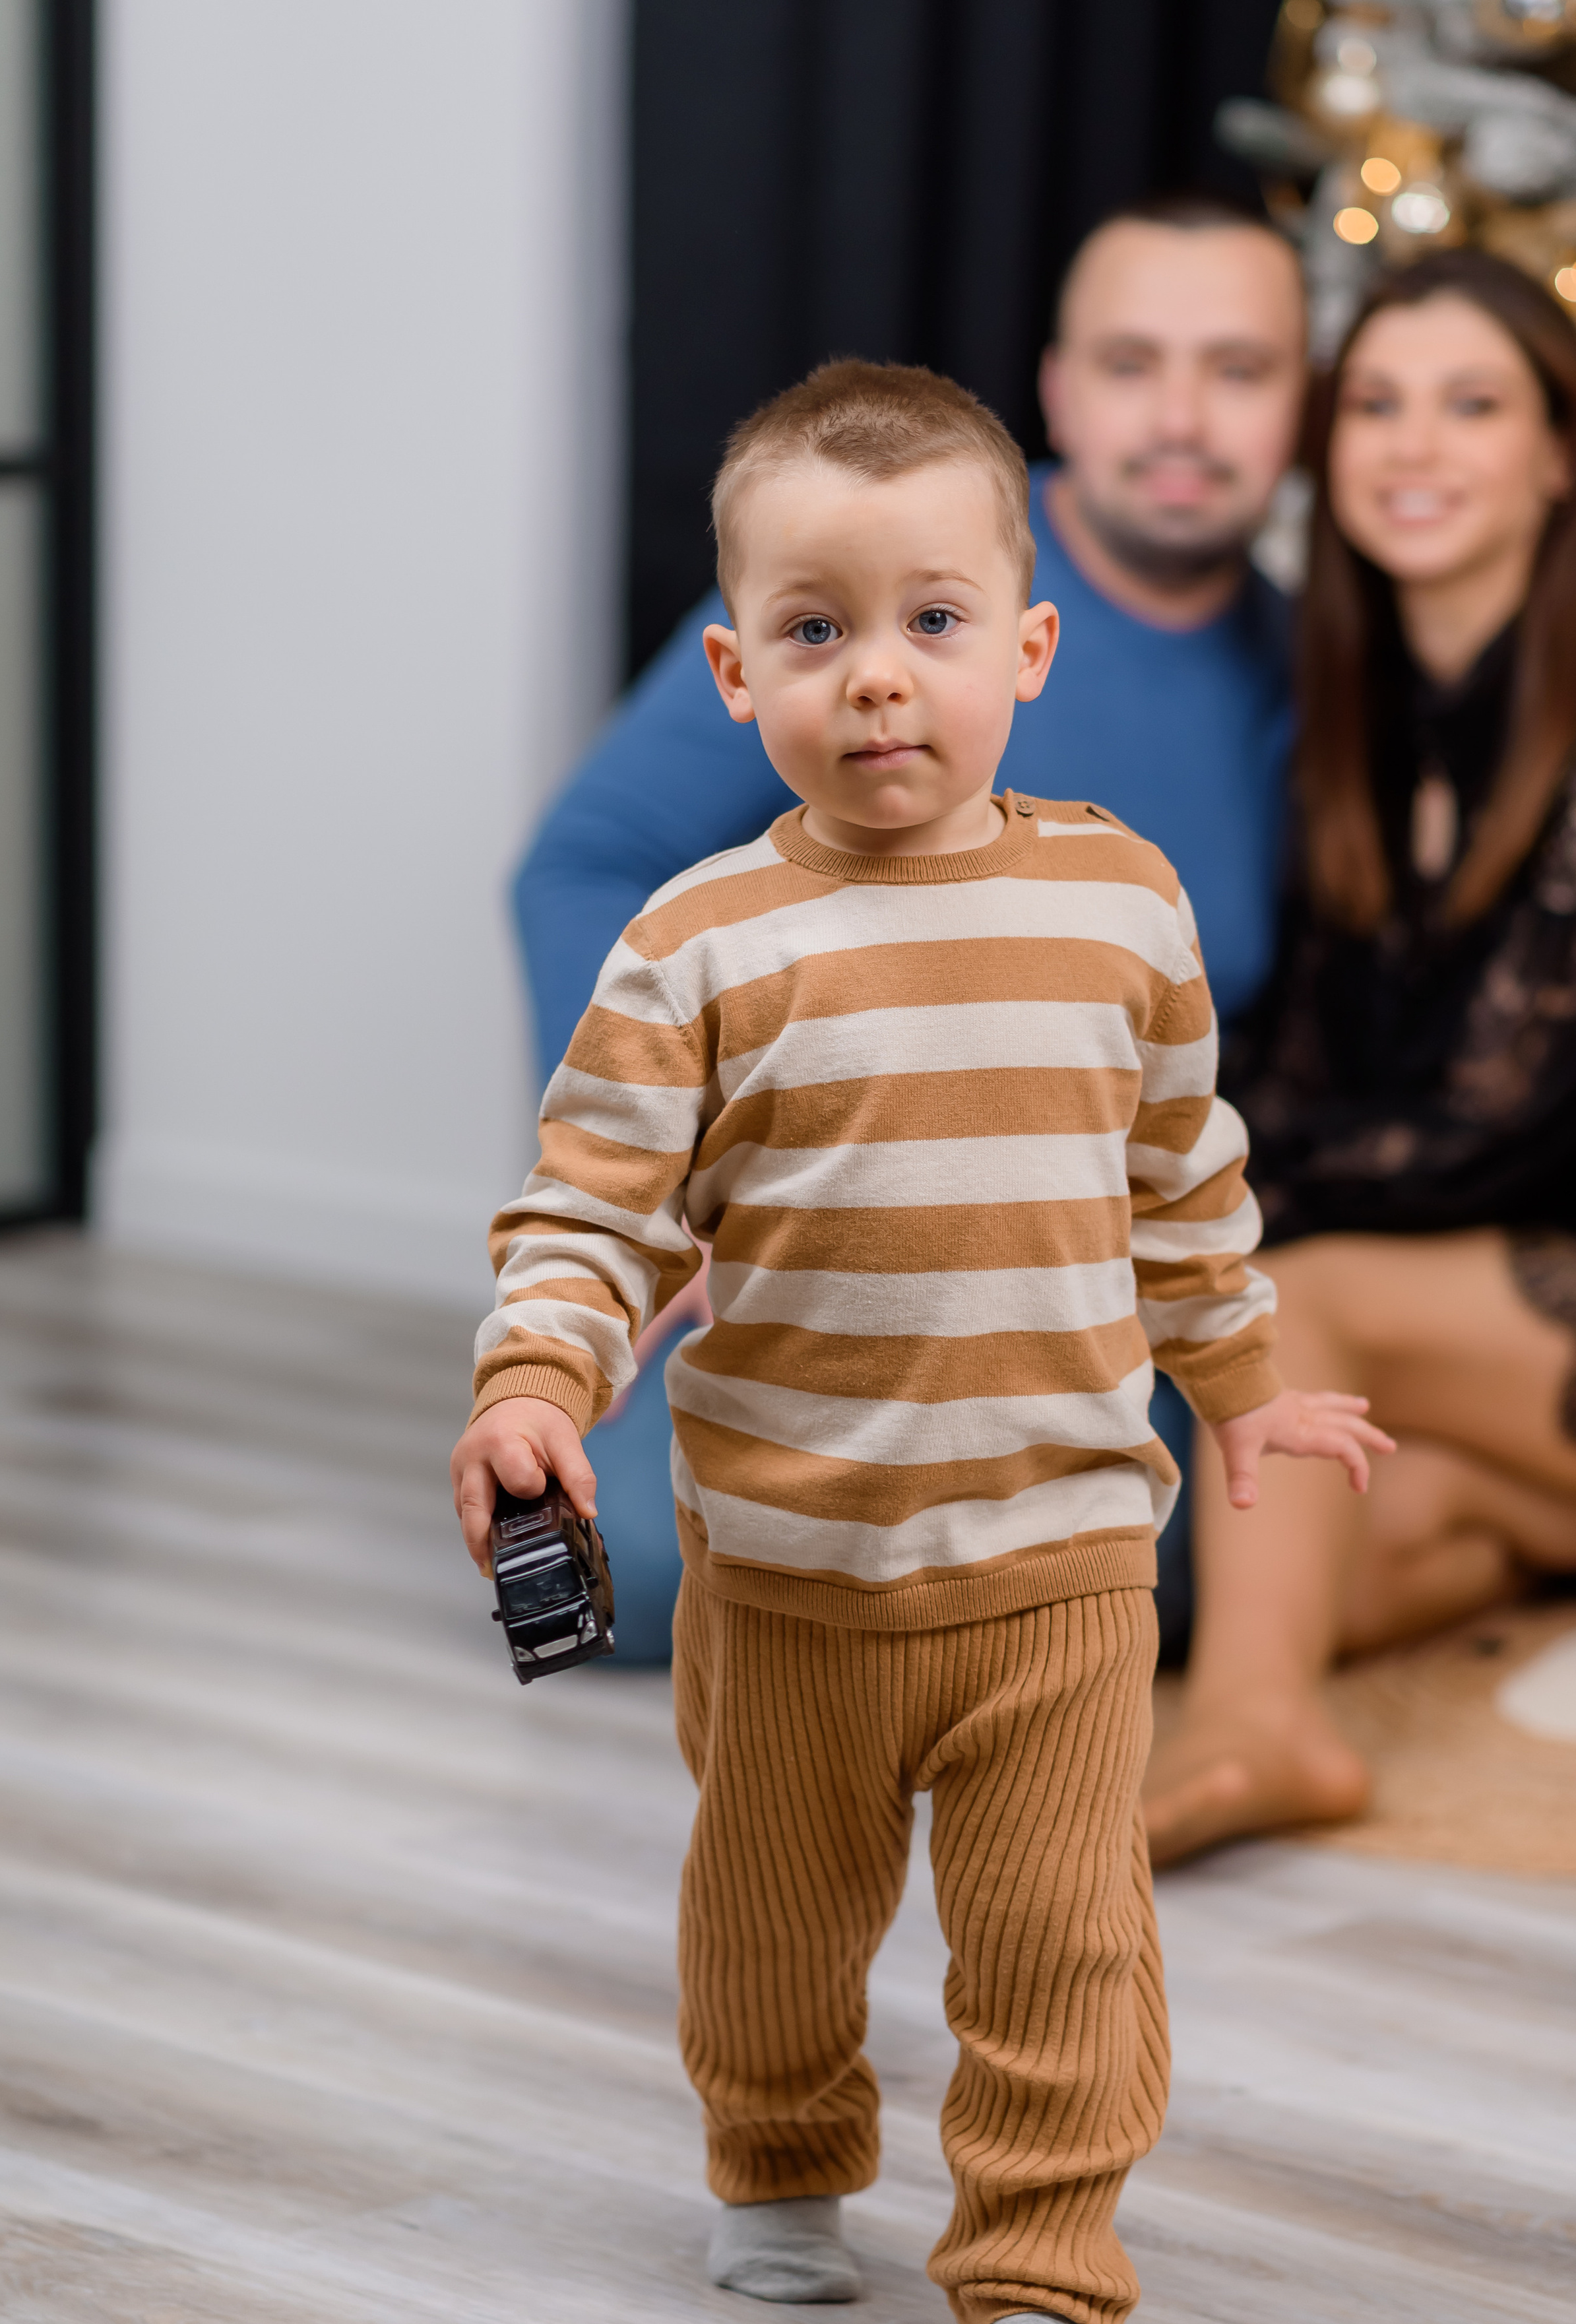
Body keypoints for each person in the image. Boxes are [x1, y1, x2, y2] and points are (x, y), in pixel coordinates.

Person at [451, 360, 1387, 2324]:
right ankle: (780, 2151)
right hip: (787, 1574)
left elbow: (1183, 1182)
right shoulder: (696, 947)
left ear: (1027, 651)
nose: (879, 681)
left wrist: (1245, 1386)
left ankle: (1045, 2270)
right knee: (775, 1922)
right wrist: (534, 1380)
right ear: (732, 670)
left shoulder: (1119, 908)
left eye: (934, 623)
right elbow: (590, 1208)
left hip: (1059, 1557)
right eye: (816, 630)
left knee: (1064, 1940)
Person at [515, 198, 1310, 1656]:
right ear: (1062, 390)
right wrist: (671, 1187)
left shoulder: (1303, 668)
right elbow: (580, 862)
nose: (1183, 415)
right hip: (823, 1247)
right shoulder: (886, 574)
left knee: (1187, 1551)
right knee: (642, 1570)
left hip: (1067, 1280)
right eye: (1133, 364)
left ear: (1298, 401)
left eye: (1239, 369)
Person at [1144, 247, 1576, 1869]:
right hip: (1483, 1341)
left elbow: (1473, 1127)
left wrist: (1154, 1231)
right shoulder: (1353, 739)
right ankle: (1519, 1537)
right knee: (1311, 1550)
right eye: (1371, 403)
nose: (1410, 445)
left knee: (1299, 1312)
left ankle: (1257, 1739)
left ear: (1560, 456)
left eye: (1468, 405)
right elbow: (1297, 1077)